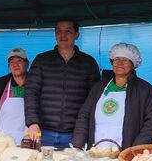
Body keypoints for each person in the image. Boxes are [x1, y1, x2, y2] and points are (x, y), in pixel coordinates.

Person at [24, 20, 100, 148]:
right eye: (59, 31)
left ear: (76, 35)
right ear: (55, 35)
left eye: (68, 31)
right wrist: (32, 123)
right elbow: (31, 92)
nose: (62, 35)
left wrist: (83, 130)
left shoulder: (88, 63)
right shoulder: (42, 60)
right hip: (43, 132)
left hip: (75, 134)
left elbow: (94, 99)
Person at [72, 43, 152, 149]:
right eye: (116, 59)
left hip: (127, 154)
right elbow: (84, 116)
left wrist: (134, 150)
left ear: (133, 64)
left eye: (125, 59)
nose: (119, 63)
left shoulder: (145, 90)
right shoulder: (98, 88)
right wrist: (78, 144)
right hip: (95, 153)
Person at [0, 47, 30, 144]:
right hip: (1, 142)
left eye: (19, 61)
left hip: (28, 141)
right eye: (12, 62)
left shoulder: (36, 83)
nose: (15, 65)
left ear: (27, 63)